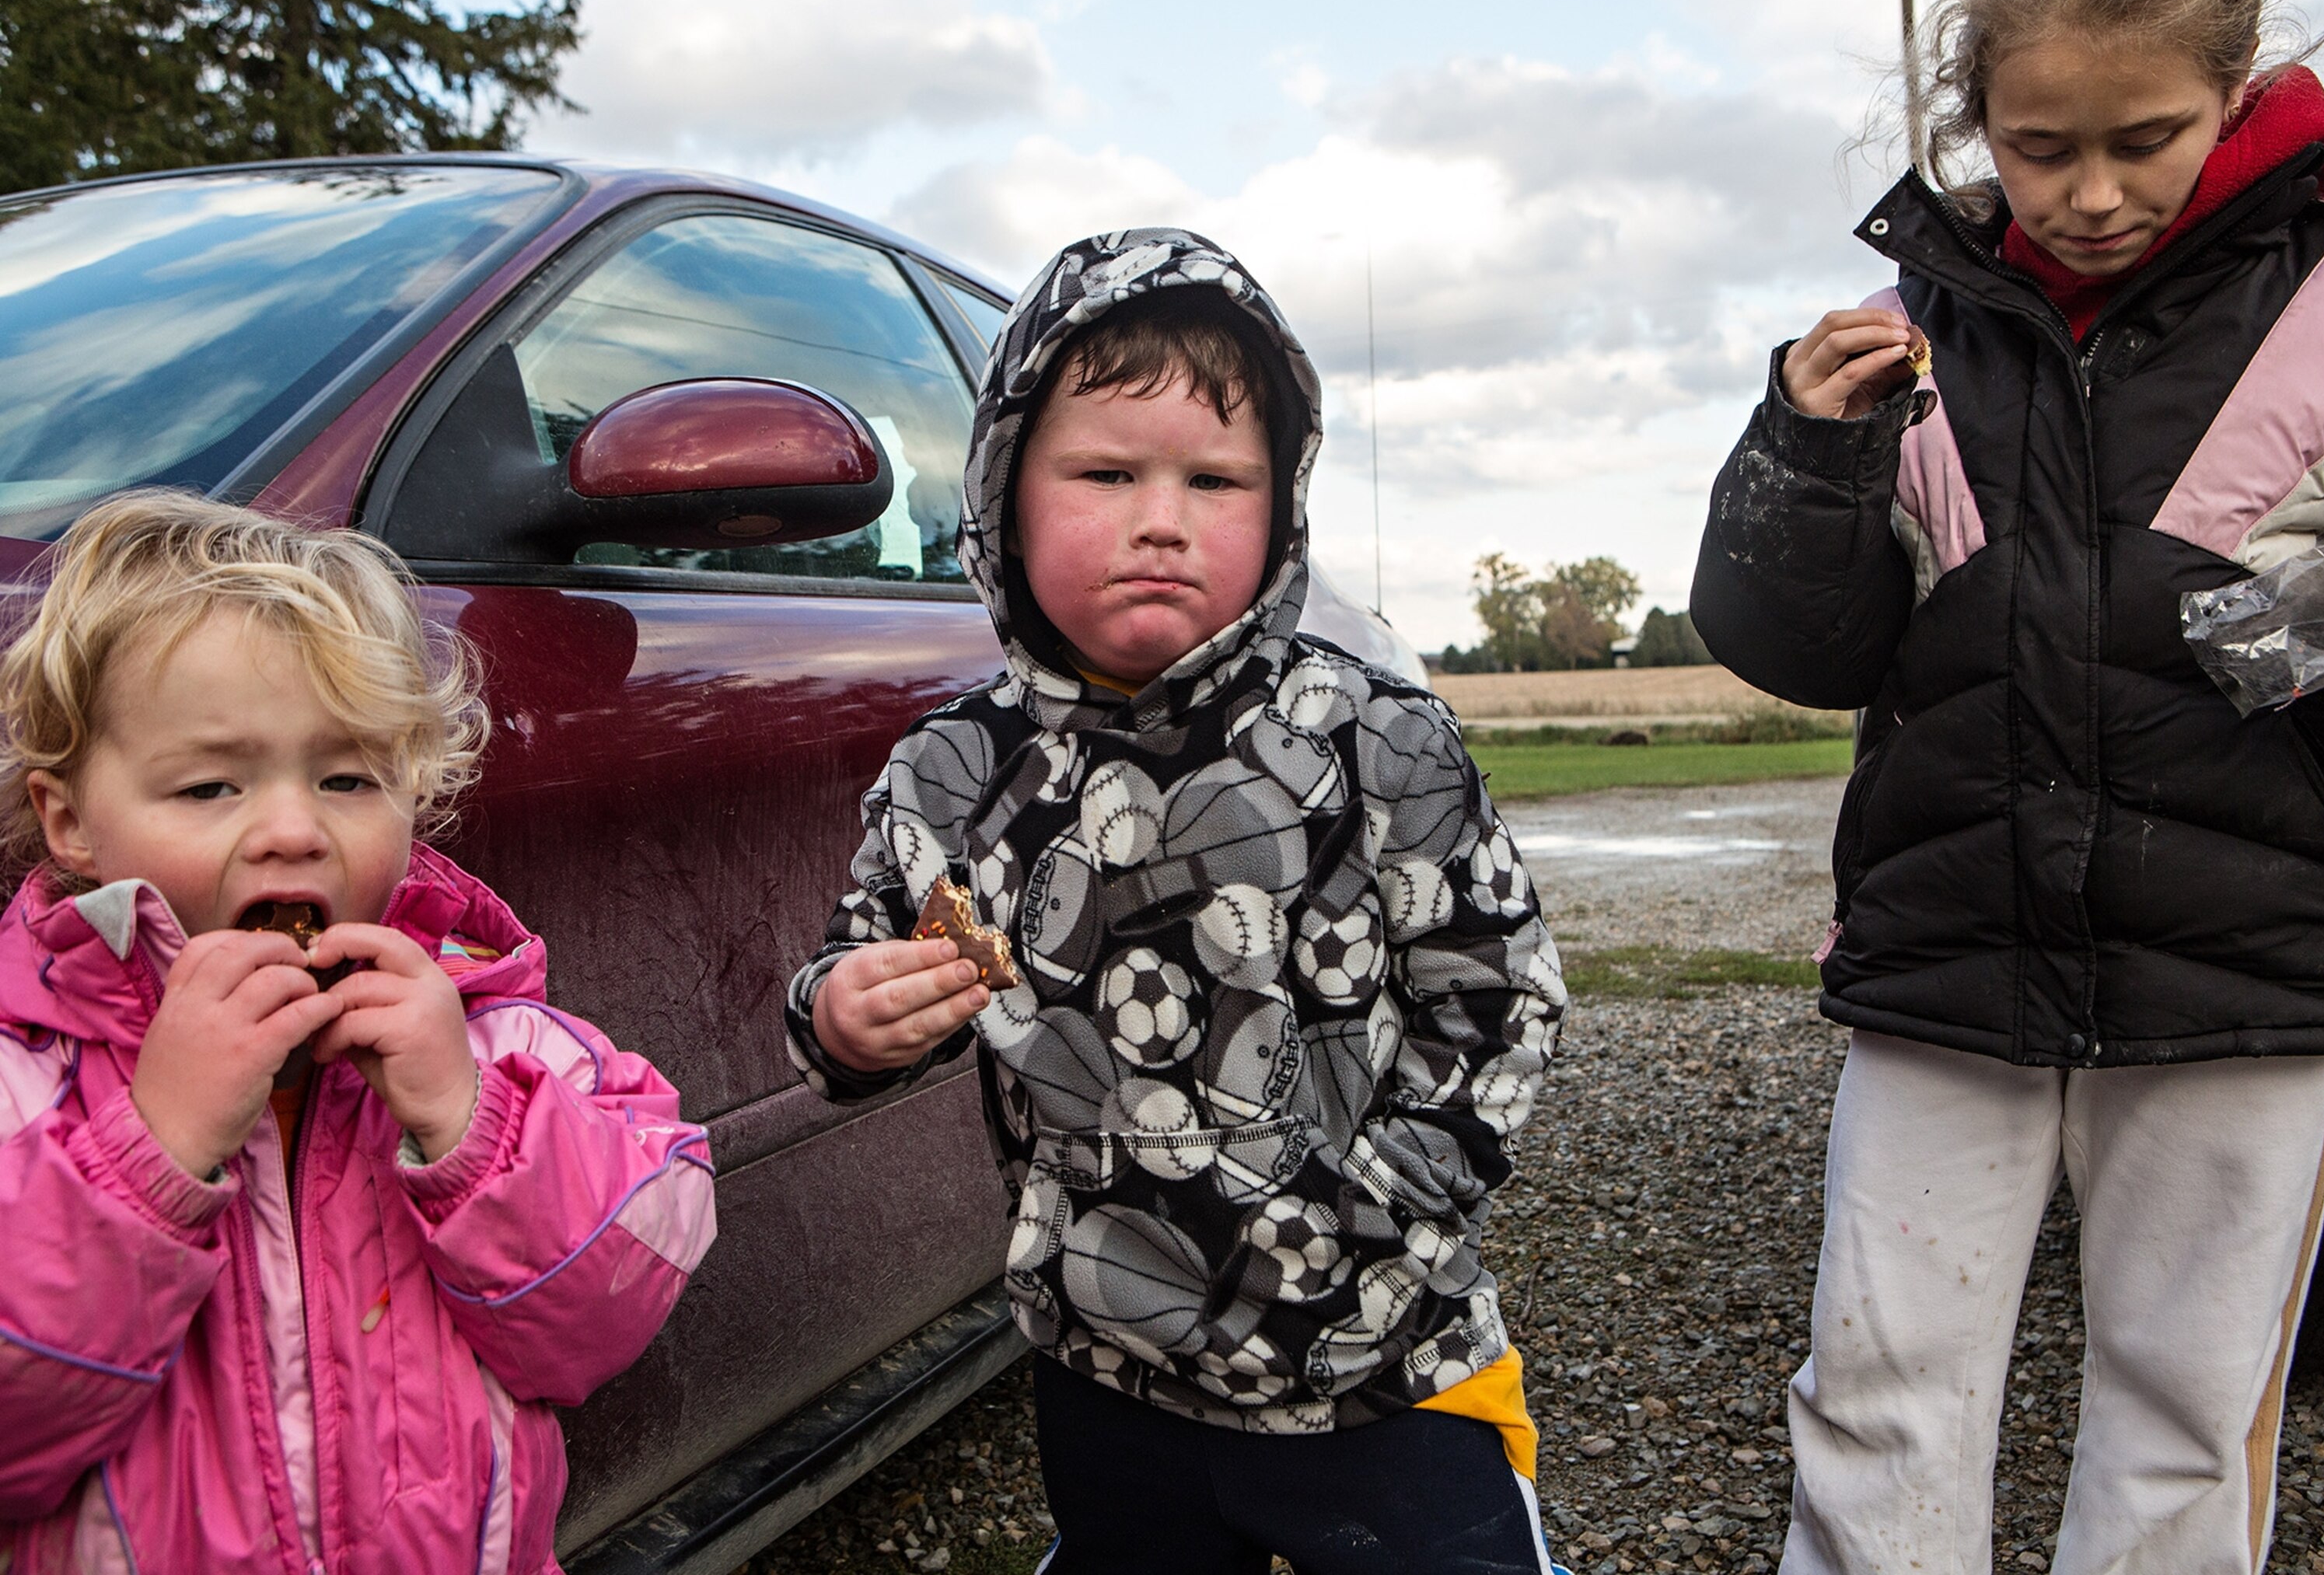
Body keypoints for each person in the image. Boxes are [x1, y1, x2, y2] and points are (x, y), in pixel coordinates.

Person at [1691, 0, 2324, 1571]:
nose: (2090, 194)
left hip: (2251, 962)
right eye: (2039, 146)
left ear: (2238, 92)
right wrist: (1802, 454)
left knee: (2188, 1401)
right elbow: (1798, 641)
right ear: (1974, 129)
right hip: (1951, 952)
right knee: (1876, 1382)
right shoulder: (1901, 327)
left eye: (2144, 140)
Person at [785, 229, 1568, 1575]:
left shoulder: (1376, 734)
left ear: (1281, 505)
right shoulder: (954, 769)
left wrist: (1364, 1210)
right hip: (1109, 1362)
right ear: (1001, 496)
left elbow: (1499, 995)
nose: (1165, 516)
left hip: (1381, 1357)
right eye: (1105, 472)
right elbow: (862, 965)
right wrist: (845, 1017)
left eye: (1216, 478)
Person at [0, 493, 716, 1573]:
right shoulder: (27, 1075)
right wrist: (146, 1153)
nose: (294, 828)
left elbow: (620, 1298)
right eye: (209, 785)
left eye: (347, 778)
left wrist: (472, 1123)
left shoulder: (499, 1034)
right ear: (69, 820)